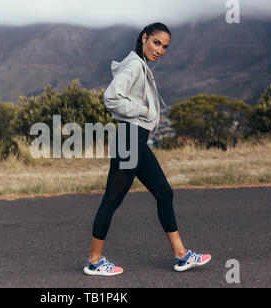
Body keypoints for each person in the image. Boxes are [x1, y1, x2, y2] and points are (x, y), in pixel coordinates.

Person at [83, 23, 211, 276]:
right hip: (129, 140)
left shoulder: (140, 63)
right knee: (111, 200)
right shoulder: (133, 65)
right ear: (144, 38)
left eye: (165, 47)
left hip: (136, 141)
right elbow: (111, 97)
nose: (160, 50)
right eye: (156, 43)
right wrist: (142, 111)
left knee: (164, 193)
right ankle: (94, 261)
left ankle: (181, 255)